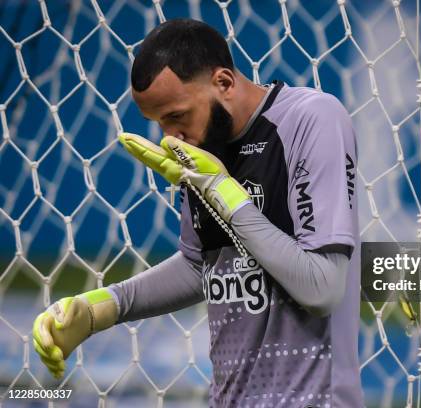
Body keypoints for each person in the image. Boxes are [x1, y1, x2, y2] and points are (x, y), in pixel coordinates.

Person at [32, 18, 362, 407]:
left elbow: (322, 288)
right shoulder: (206, 148)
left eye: (176, 115)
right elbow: (201, 266)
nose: (171, 137)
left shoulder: (311, 118)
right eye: (159, 123)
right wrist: (100, 309)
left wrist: (223, 192)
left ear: (223, 82)